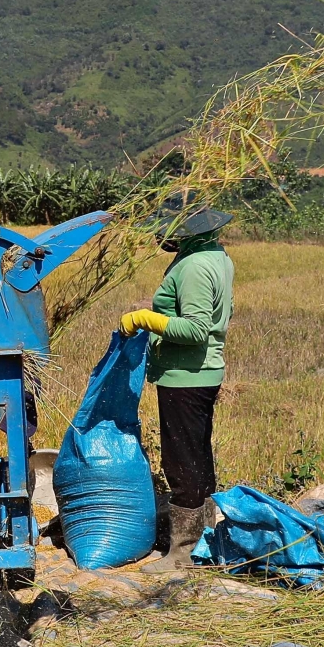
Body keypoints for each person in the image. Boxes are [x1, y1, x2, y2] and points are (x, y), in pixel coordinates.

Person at [119, 196, 235, 575]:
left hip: (186, 377)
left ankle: (182, 553)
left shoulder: (195, 267)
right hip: (201, 374)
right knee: (197, 458)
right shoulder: (216, 255)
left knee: (181, 462)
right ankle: (205, 541)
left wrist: (146, 319)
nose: (160, 236)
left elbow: (196, 328)